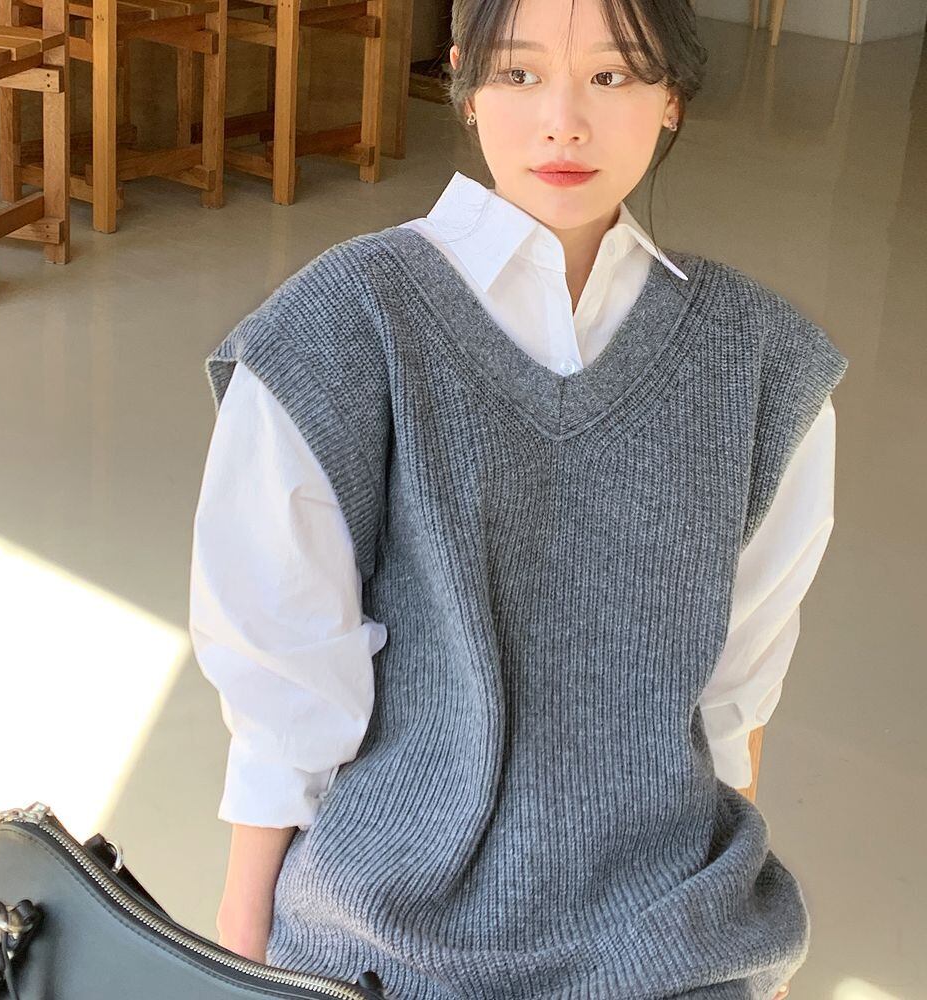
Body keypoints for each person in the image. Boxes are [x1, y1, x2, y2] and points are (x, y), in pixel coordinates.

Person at [188, 0, 848, 997]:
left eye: (613, 76)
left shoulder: (761, 365)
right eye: (519, 74)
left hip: (667, 929)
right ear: (463, 83)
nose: (562, 124)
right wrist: (244, 947)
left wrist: (733, 930)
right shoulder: (338, 328)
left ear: (672, 96)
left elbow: (732, 690)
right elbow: (285, 675)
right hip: (383, 925)